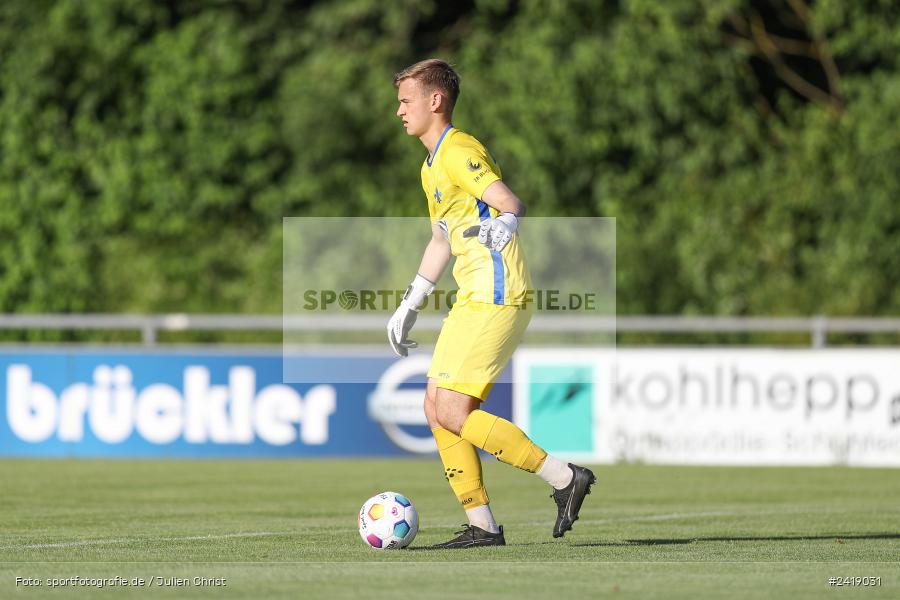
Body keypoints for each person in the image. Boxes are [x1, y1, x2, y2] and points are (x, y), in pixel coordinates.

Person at [387, 59, 595, 549]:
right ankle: (482, 525)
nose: (398, 111)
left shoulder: (458, 148)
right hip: (472, 295)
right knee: (436, 409)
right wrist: (410, 303)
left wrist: (508, 221)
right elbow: (441, 239)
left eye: (405, 100)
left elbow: (509, 201)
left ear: (434, 101)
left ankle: (564, 477)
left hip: (498, 292)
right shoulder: (430, 164)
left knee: (454, 410)